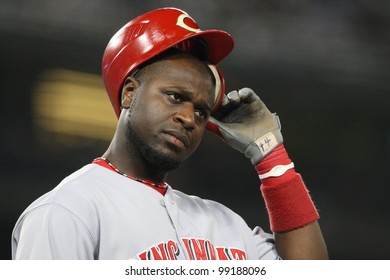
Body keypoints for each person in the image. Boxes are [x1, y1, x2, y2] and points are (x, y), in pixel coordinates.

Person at [12, 7, 328, 260]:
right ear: (129, 93)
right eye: (175, 97)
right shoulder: (68, 211)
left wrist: (271, 156)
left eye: (202, 111)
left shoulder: (224, 225)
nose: (189, 118)